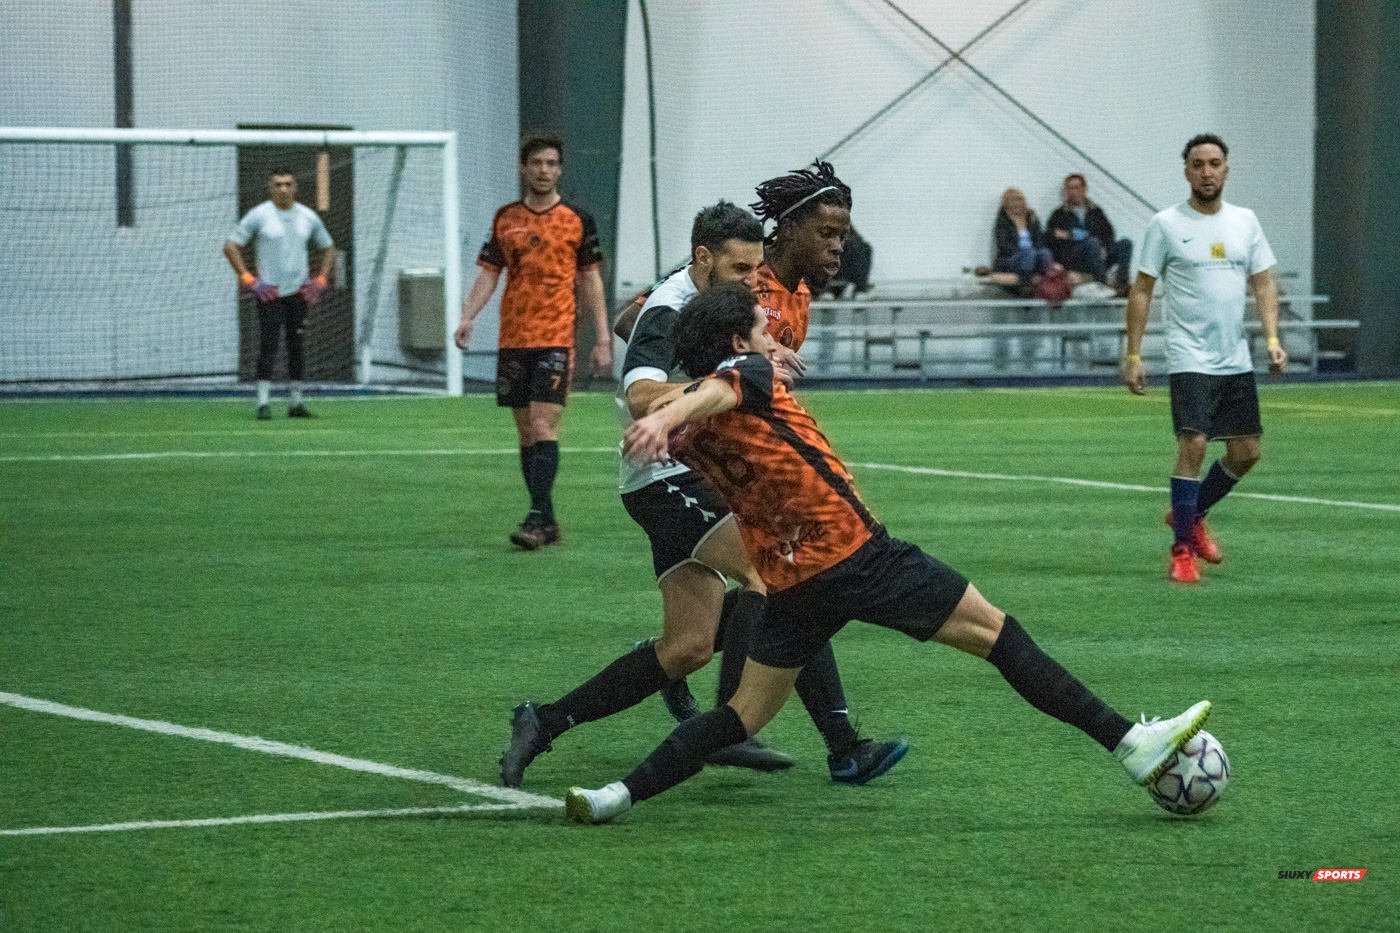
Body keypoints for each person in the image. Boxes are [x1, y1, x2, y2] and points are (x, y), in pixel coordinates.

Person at [563, 282, 1212, 823]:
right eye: (763, 328)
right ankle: (1132, 743)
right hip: (857, 555)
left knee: (740, 714)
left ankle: (614, 796)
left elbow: (700, 392)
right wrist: (675, 406)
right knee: (999, 634)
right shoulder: (743, 376)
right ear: (738, 344)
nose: (772, 338)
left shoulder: (691, 427)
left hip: (792, 584)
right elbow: (728, 382)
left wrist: (661, 411)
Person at [499, 202, 905, 788]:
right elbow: (641, 399)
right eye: (741, 270)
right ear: (702, 258)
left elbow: (624, 323)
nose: (752, 282)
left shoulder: (707, 301)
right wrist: (729, 383)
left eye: (756, 269)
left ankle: (542, 721)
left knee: (686, 647)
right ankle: (837, 745)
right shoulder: (669, 307)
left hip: (686, 477)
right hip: (668, 479)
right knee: (784, 578)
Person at [1122, 134, 1287, 584]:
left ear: (1227, 169)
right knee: (1193, 443)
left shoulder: (1246, 222)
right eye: (1199, 164)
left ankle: (1189, 515)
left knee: (1247, 451)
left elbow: (1264, 282)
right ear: (1186, 171)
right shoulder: (1166, 224)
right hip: (1189, 355)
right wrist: (1133, 354)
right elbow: (1141, 289)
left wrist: (1272, 337)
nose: (1207, 171)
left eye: (1215, 163)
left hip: (1234, 357)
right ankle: (1180, 552)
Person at [454, 134, 613, 550]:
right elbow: (489, 272)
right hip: (514, 337)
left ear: (560, 169)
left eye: (552, 163)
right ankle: (546, 516)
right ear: (524, 168)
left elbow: (591, 279)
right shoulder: (506, 218)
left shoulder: (578, 219)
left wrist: (602, 338)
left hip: (557, 338)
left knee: (543, 425)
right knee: (526, 434)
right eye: (537, 163)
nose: (544, 170)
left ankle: (537, 517)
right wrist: (468, 316)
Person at [224, 168, 335, 420]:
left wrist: (320, 279)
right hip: (270, 293)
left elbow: (328, 247)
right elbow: (231, 246)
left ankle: (296, 402)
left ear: (295, 187)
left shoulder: (308, 216)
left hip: (299, 293)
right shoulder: (259, 215)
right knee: (268, 346)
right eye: (278, 184)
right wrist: (249, 278)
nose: (283, 189)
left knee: (296, 346)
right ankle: (263, 402)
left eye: (288, 184)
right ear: (270, 187)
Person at [1046, 174, 1133, 290]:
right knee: (1092, 243)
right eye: (1070, 188)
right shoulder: (1059, 215)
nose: (1074, 192)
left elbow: (1108, 234)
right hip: (1076, 258)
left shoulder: (1096, 211)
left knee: (1125, 243)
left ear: (1084, 189)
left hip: (1099, 254)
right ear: (1066, 191)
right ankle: (1102, 284)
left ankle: (1122, 284)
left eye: (1077, 188)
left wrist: (1103, 248)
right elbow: (1053, 239)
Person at [991, 187, 1053, 293]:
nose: (1016, 203)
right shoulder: (1002, 221)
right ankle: (1026, 285)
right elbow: (1004, 246)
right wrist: (1024, 252)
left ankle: (1049, 283)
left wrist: (1033, 253)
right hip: (1010, 259)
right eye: (1013, 200)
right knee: (1028, 254)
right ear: (1006, 204)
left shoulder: (1032, 218)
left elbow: (1039, 241)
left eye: (1019, 199)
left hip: (1031, 256)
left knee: (1045, 253)